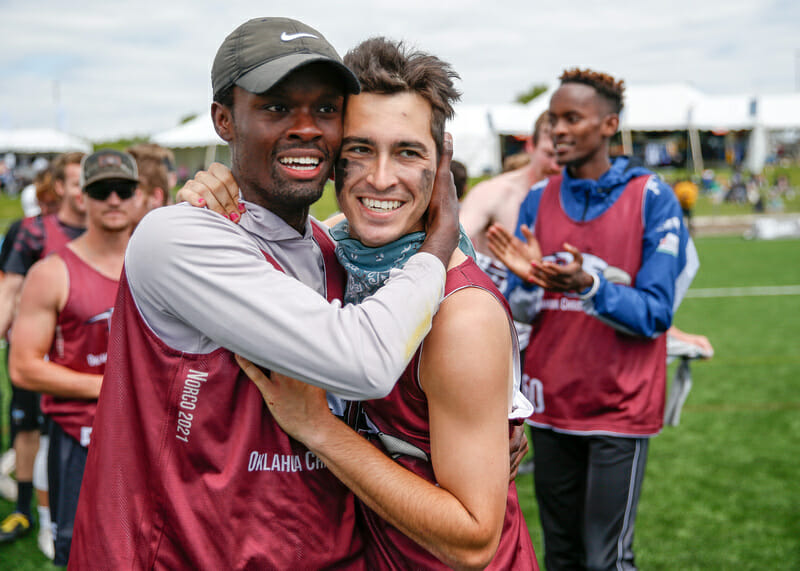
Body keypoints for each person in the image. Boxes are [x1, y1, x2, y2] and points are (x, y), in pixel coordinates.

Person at [70, 17, 460, 570]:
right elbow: (365, 361)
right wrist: (440, 240)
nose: (306, 128)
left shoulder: (330, 246)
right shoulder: (179, 236)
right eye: (277, 108)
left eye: (326, 109)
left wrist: (490, 428)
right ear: (224, 120)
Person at [200, 37, 537, 569]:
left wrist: (318, 428)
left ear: (441, 160)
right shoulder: (342, 256)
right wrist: (214, 197)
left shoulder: (460, 315)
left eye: (407, 151)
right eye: (359, 149)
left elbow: (473, 541)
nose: (380, 178)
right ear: (332, 158)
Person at [488, 68, 699, 571]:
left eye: (572, 119)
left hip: (618, 408)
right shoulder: (540, 198)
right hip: (550, 403)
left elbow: (655, 311)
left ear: (609, 125)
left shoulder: (651, 196)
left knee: (607, 559)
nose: (557, 130)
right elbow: (521, 311)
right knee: (560, 554)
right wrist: (526, 281)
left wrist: (589, 285)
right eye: (553, 119)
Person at [9, 150, 140, 566]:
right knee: (80, 552)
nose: (114, 200)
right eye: (102, 191)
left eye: (124, 189)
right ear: (82, 198)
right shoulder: (52, 272)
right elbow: (23, 366)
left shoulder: (158, 264)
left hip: (145, 434)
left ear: (139, 196)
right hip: (79, 438)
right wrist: (111, 387)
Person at [0, 152, 86, 555]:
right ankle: (24, 510)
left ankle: (64, 516)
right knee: (28, 430)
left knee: (66, 438)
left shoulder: (108, 230)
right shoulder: (32, 232)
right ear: (61, 187)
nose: (84, 190)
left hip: (81, 359)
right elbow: (9, 292)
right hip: (33, 355)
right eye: (76, 182)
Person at [460, 110, 560, 285]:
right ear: (531, 146)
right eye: (549, 154)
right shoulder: (494, 192)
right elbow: (455, 240)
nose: (555, 165)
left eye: (563, 157)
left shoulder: (579, 198)